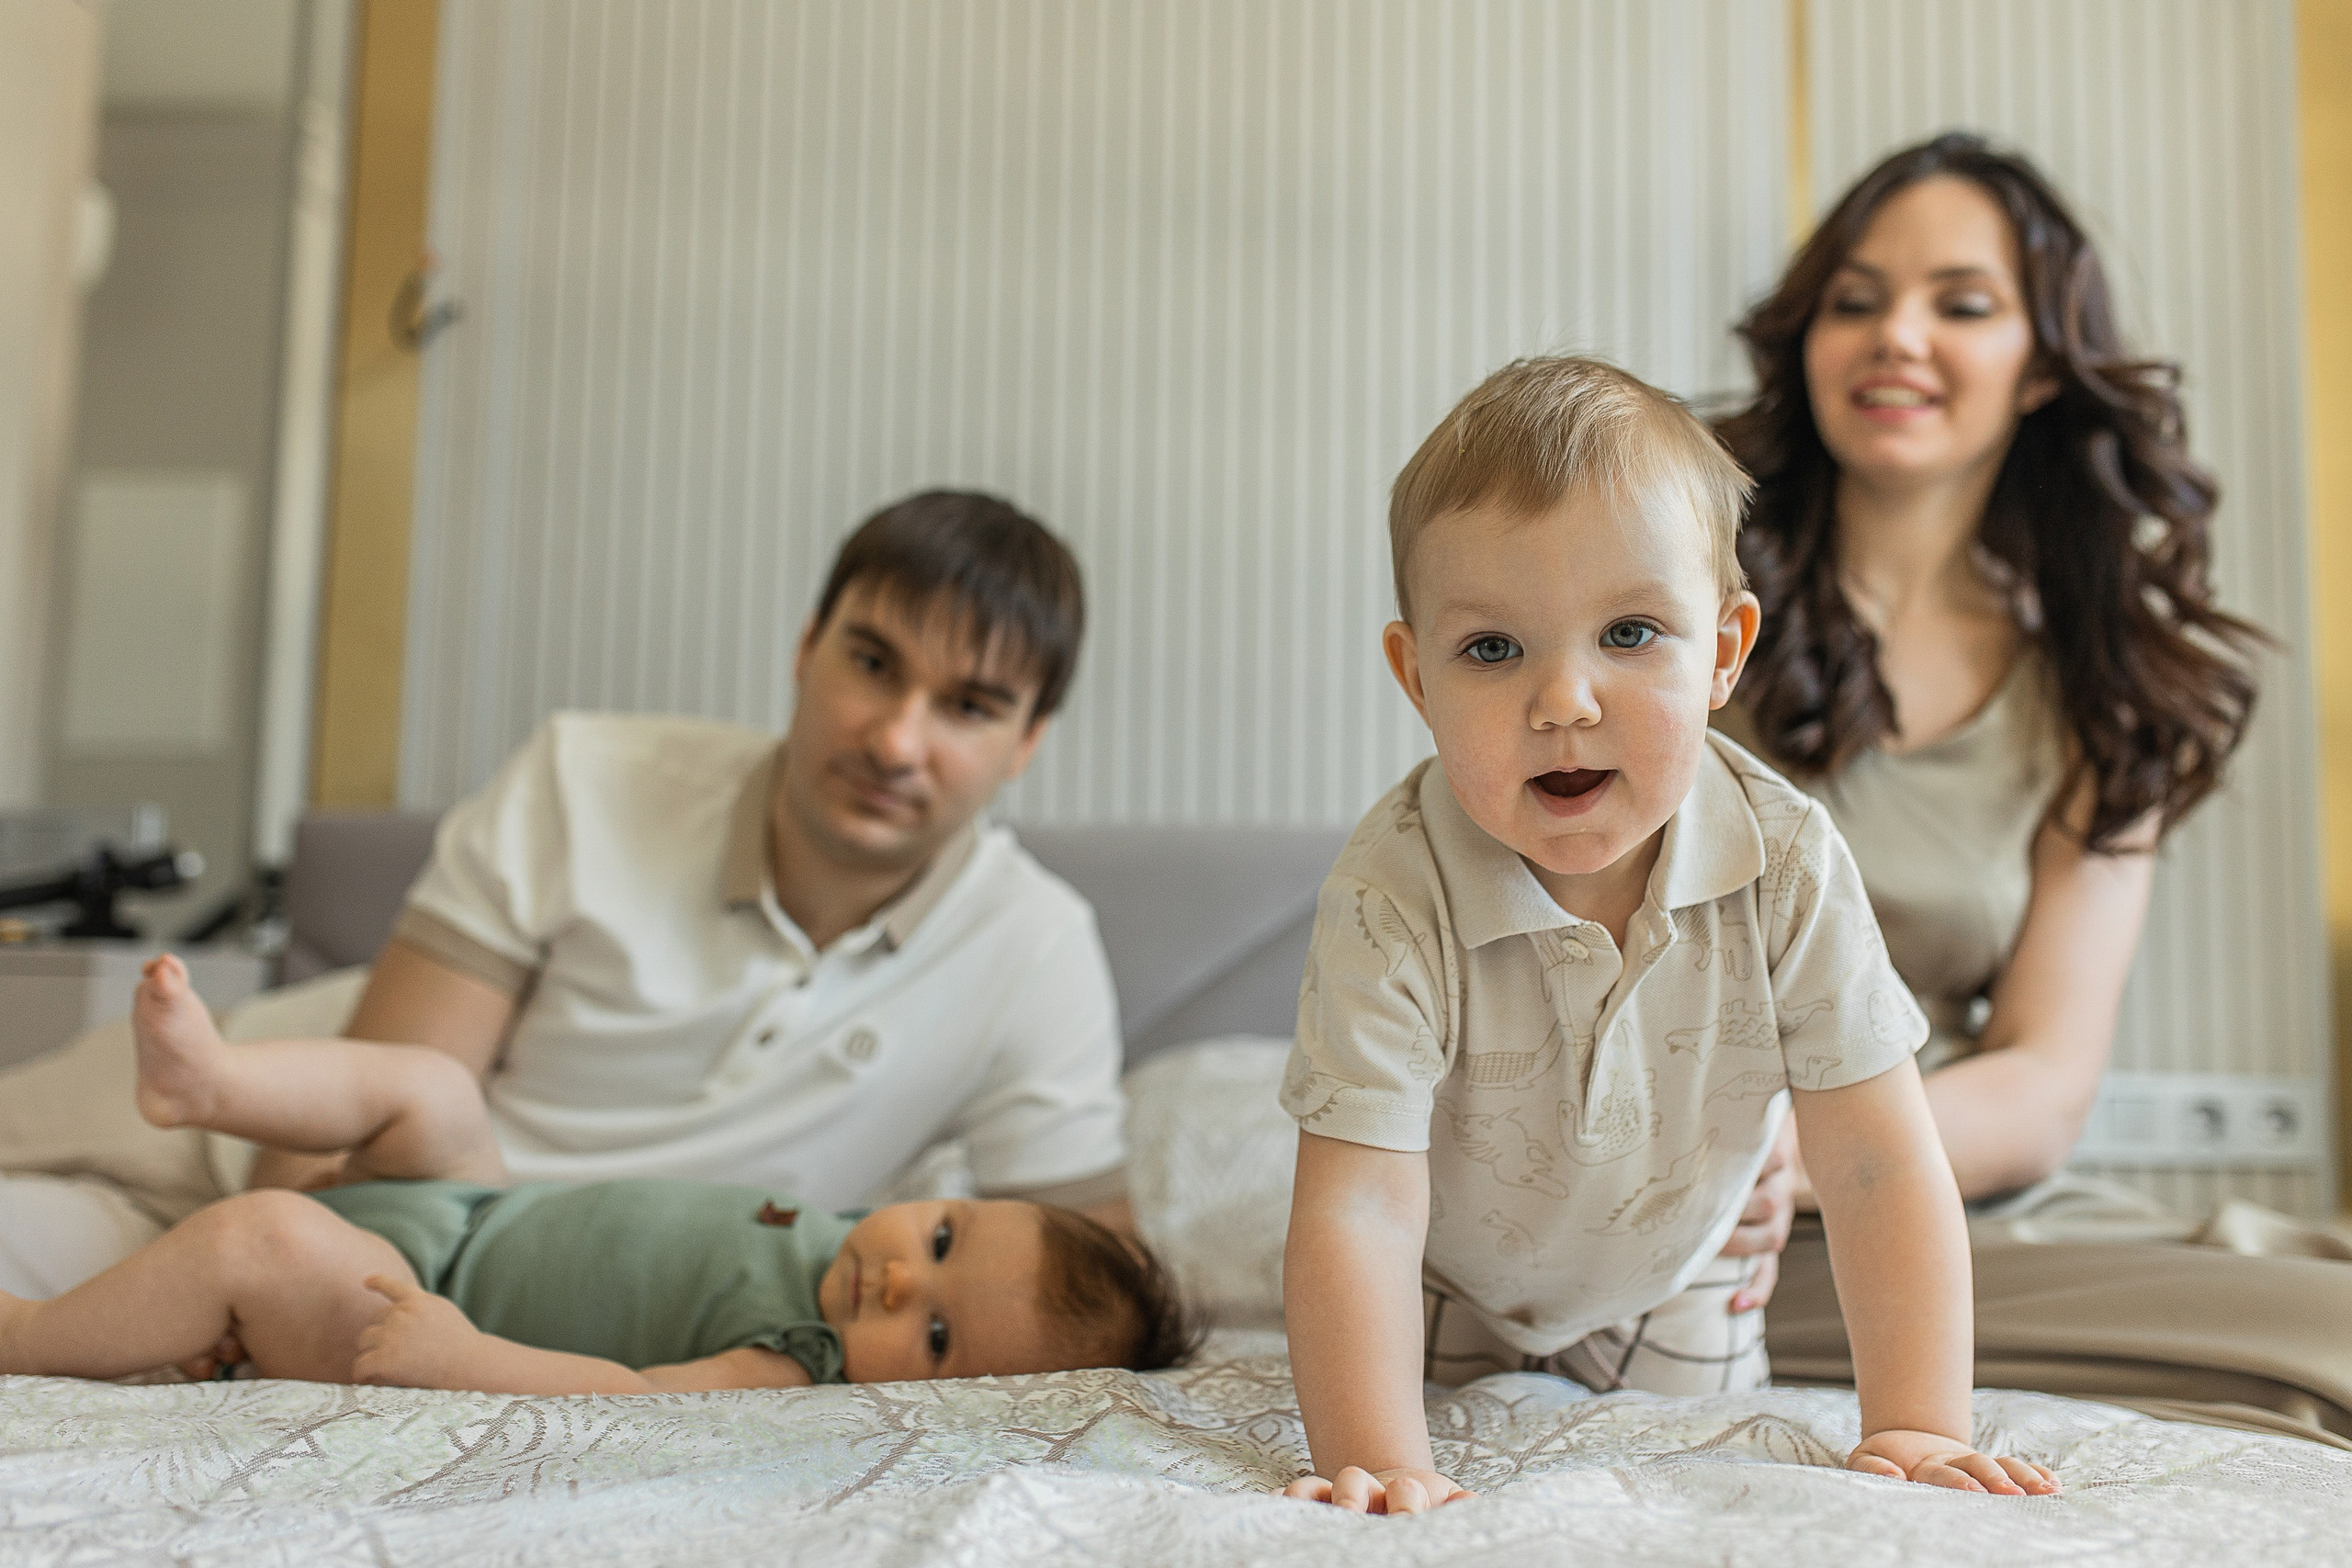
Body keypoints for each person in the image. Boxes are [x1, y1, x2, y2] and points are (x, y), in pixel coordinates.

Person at [0, 491, 1134, 1303]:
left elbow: (1101, 1280)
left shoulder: (1033, 950)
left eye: (970, 707)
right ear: (804, 648)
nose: (896, 740)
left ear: (1027, 744)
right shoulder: (583, 780)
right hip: (217, 1126)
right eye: (874, 664)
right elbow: (335, 1145)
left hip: (406, 1268)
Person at [1275, 355, 2060, 1516]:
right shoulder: (1392, 890)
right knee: (1392, 1418)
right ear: (1416, 677)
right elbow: (1361, 1206)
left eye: (1630, 633)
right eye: (1492, 649)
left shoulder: (1786, 861)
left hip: (1676, 1286)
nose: (1565, 701)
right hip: (1444, 1284)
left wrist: (1919, 1427)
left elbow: (1876, 1158)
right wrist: (1379, 1460)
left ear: (1725, 653)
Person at [1708, 132, 2352, 1448]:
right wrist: (1745, 1153)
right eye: (1855, 298)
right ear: (1807, 339)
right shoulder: (1680, 591)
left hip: (1922, 1182)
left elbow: (2047, 1077)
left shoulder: (2110, 683)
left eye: (1962, 302)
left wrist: (1808, 1146)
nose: (1897, 334)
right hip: (1707, 1206)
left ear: (2044, 365)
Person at [0, 954, 1193, 1393]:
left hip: (415, 1296)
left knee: (262, 1232)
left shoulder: (790, 1357)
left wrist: (465, 1359)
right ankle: (209, 1085)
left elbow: (632, 1394)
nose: (896, 1283)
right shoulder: (836, 1222)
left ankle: (36, 1334)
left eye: (935, 1338)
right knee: (436, 1086)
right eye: (937, 1241)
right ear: (946, 1197)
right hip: (470, 1203)